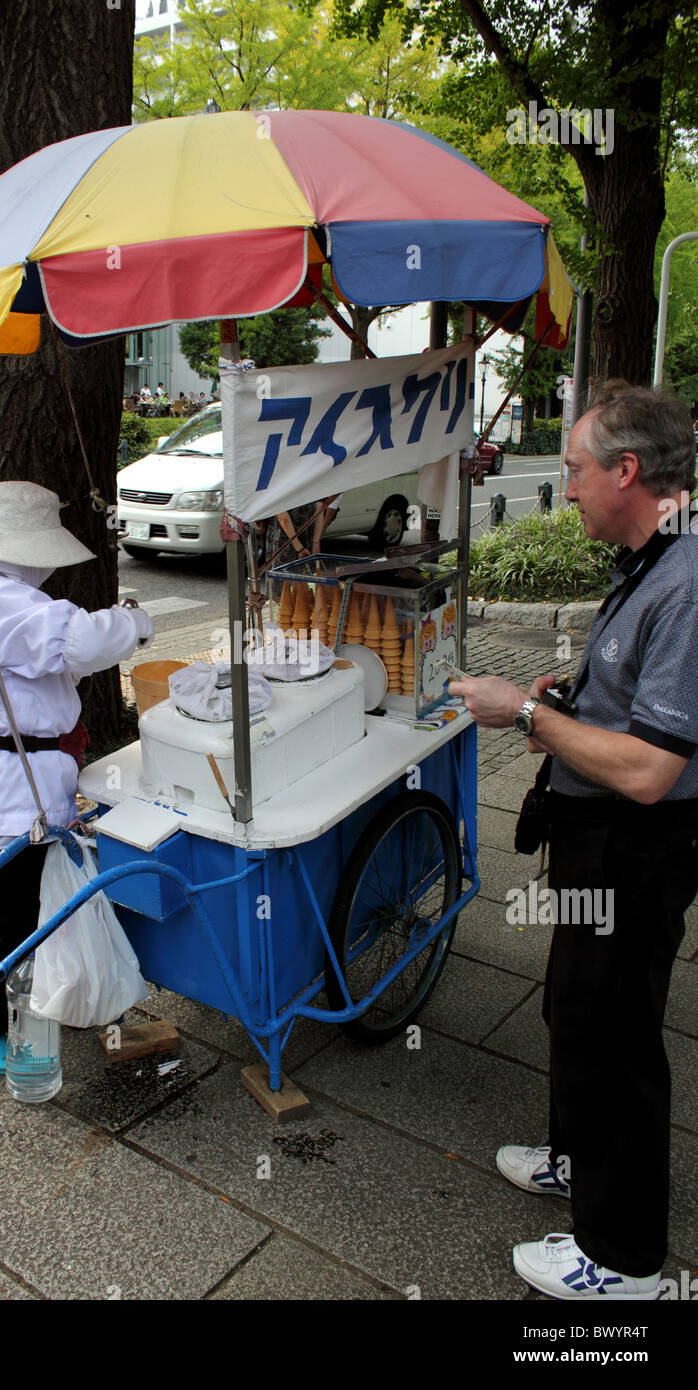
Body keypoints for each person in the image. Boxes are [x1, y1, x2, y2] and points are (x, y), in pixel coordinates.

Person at [450, 383, 698, 1301]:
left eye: (577, 470)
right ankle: (575, 1154)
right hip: (594, 841)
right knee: (570, 1006)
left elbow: (648, 770)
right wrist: (574, 693)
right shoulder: (649, 556)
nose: (570, 486)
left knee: (618, 1038)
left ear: (627, 471)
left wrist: (520, 710)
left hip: (637, 849)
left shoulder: (687, 583)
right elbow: (629, 700)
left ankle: (625, 1258)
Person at [0, 481, 155, 1075]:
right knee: (5, 921)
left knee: (17, 910)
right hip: (8, 787)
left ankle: (25, 1006)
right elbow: (79, 641)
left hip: (1, 777)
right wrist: (136, 621)